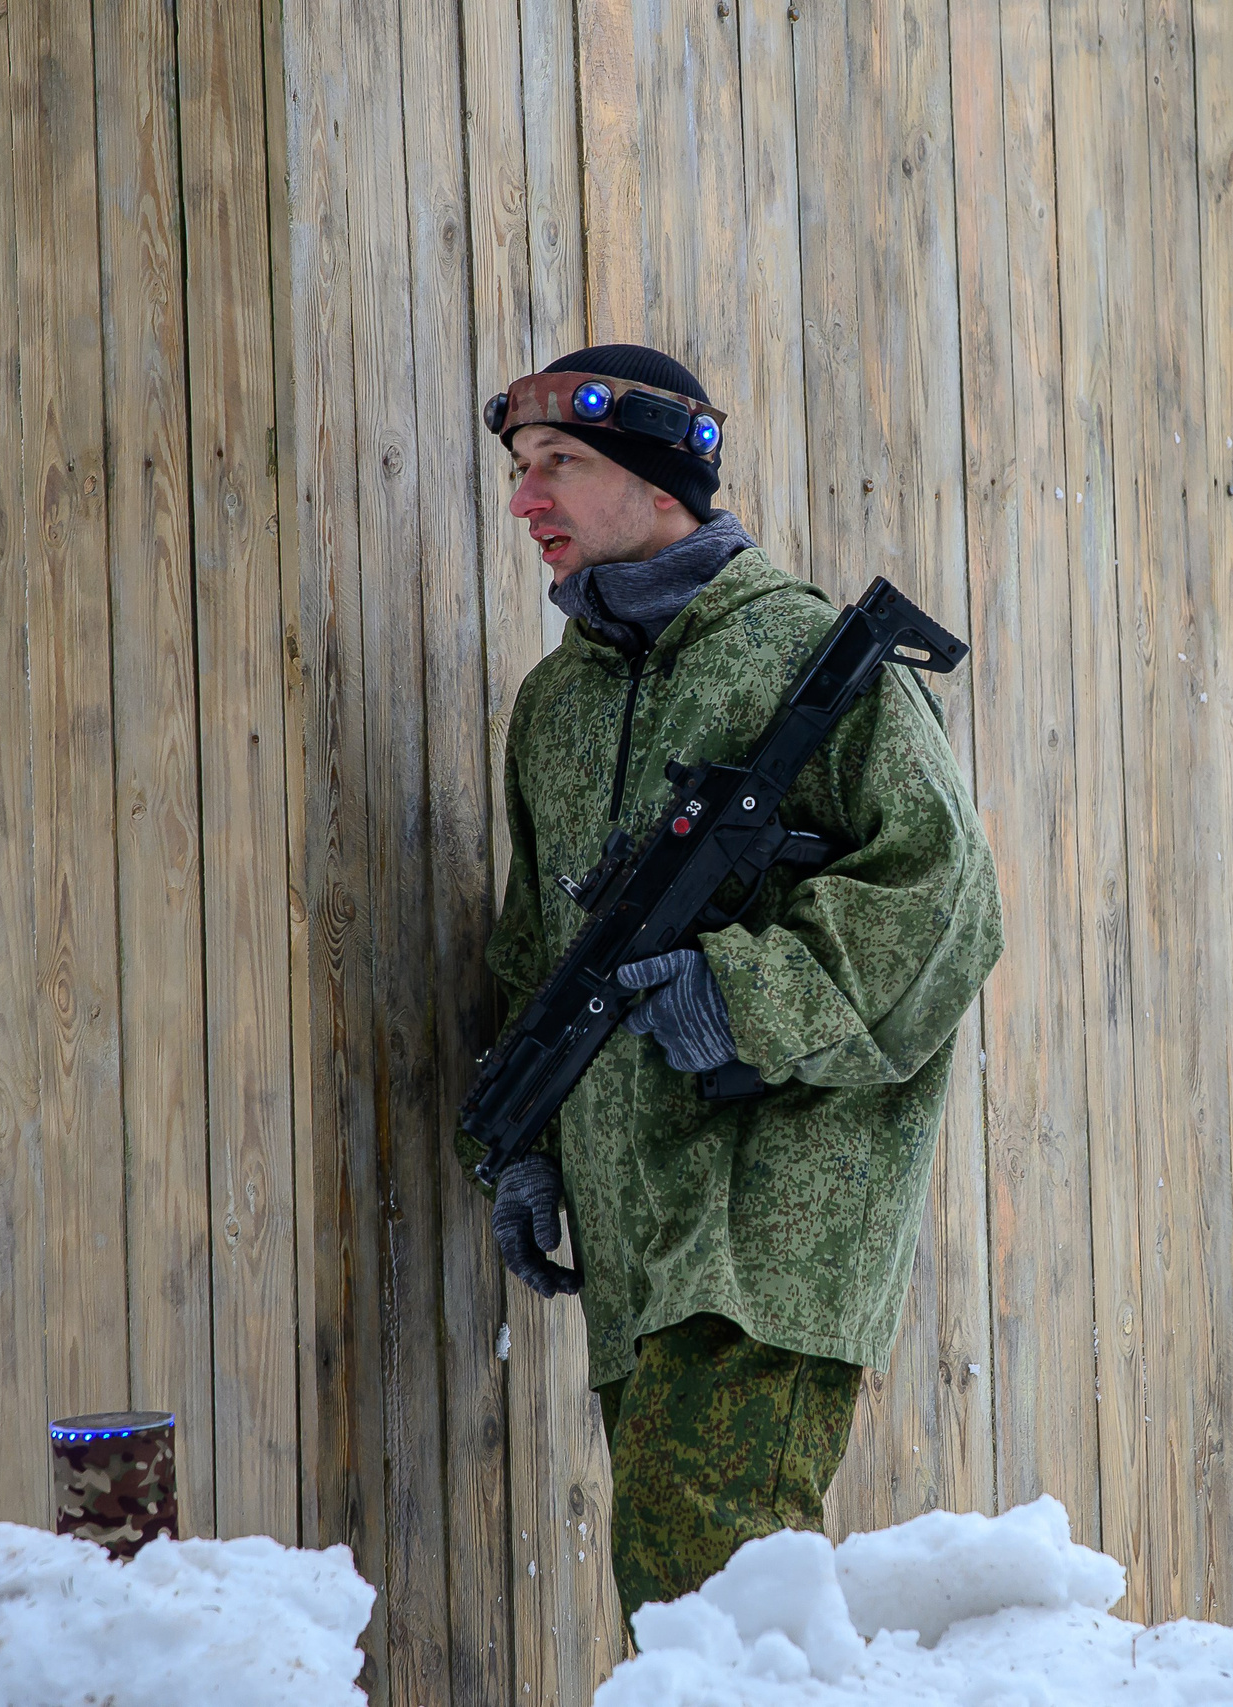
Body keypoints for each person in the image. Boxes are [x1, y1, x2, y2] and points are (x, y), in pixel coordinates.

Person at [461, 343, 1002, 1621]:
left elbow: (943, 903)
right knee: (683, 1597)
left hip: (776, 1218)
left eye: (562, 466)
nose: (527, 499)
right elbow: (535, 960)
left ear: (663, 485)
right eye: (521, 472)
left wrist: (745, 993)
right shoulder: (557, 705)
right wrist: (522, 1144)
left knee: (705, 1575)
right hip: (631, 1224)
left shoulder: (804, 655)